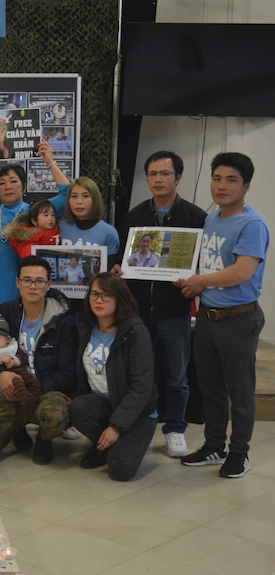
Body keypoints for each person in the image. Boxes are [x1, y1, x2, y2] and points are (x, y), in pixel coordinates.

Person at [176, 152, 268, 479]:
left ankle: (240, 453)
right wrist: (191, 281)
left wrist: (201, 281)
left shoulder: (252, 223)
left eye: (231, 180)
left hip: (238, 319)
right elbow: (210, 263)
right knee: (211, 388)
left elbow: (242, 272)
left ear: (246, 186)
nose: (222, 185)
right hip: (207, 316)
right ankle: (214, 445)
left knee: (239, 391)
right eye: (217, 178)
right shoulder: (212, 218)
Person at [0, 144, 70, 400]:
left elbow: (65, 194)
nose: (8, 186)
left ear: (23, 185)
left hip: (27, 290)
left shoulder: (35, 212)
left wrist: (50, 161)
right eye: (2, 183)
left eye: (13, 181)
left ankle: (24, 399)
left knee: (21, 345)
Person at [116, 151, 207, 458]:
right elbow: (124, 262)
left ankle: (175, 429)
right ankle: (141, 426)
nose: (158, 179)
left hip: (174, 311)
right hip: (139, 312)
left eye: (165, 174)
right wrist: (119, 270)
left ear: (178, 177)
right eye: (152, 174)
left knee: (176, 376)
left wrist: (195, 278)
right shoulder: (135, 216)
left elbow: (204, 265)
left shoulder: (195, 218)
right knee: (140, 375)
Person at [0, 256, 77, 464]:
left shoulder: (63, 320)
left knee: (55, 417)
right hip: (11, 390)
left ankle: (44, 440)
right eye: (27, 280)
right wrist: (0, 374)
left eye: (39, 281)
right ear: (17, 283)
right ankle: (16, 427)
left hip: (46, 390)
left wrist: (34, 388)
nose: (33, 286)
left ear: (48, 285)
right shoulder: (3, 312)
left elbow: (66, 372)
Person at [70, 273, 157, 481]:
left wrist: (116, 427)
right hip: (103, 403)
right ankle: (103, 446)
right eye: (94, 294)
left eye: (106, 295)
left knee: (121, 471)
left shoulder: (135, 332)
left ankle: (115, 445)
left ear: (119, 299)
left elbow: (141, 387)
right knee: (78, 407)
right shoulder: (85, 326)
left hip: (137, 412)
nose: (99, 300)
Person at [0, 316, 41, 453]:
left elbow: (22, 357)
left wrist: (13, 361)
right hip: (6, 388)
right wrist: (0, 366)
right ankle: (16, 426)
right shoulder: (7, 311)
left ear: (8, 339)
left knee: (34, 385)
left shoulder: (13, 348)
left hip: (27, 378)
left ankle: (30, 409)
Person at [58, 176, 120, 269]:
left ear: (95, 200)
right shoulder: (60, 227)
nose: (79, 202)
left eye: (85, 196)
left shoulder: (109, 232)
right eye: (74, 196)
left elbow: (110, 269)